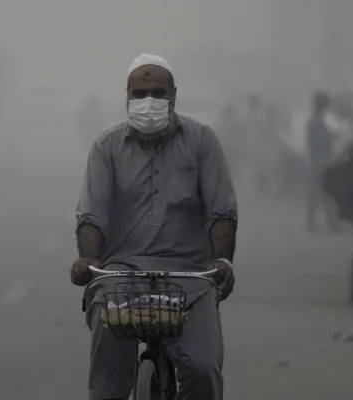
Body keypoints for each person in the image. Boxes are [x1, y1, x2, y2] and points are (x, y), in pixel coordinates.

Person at [70, 53, 237, 400]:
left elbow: (221, 211)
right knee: (107, 382)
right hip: (120, 276)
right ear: (127, 96)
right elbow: (92, 214)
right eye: (140, 93)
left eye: (158, 93)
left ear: (174, 95)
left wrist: (222, 261)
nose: (149, 102)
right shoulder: (106, 146)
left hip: (190, 277)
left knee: (204, 373)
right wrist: (87, 259)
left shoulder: (202, 141)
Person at [305, 91, 339, 231]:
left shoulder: (315, 121)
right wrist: (332, 137)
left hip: (317, 162)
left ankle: (321, 223)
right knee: (323, 194)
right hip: (320, 162)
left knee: (321, 195)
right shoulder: (316, 122)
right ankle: (325, 223)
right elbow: (320, 141)